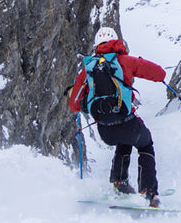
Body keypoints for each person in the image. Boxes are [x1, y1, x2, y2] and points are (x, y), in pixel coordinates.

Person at [69, 27, 166, 207]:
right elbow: (159, 73)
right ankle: (149, 192)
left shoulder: (88, 69)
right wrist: (161, 78)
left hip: (105, 130)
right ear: (116, 41)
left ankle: (119, 183)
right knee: (145, 144)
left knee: (123, 142)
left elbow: (73, 105)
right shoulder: (124, 61)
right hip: (127, 124)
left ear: (97, 45)